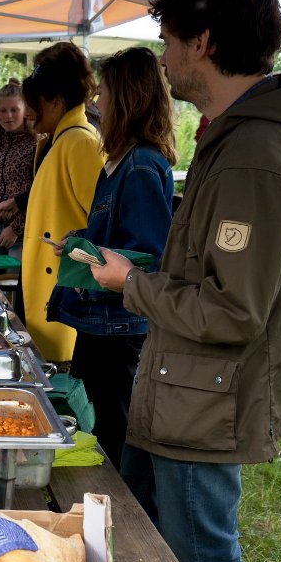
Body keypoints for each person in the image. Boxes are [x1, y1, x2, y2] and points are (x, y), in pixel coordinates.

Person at [90, 0, 281, 562]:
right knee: (158, 547)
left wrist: (130, 283)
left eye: (169, 41)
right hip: (186, 387)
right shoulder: (239, 139)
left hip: (206, 398)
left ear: (201, 43)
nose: (164, 58)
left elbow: (232, 309)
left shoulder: (256, 154)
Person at [45, 47, 176, 471]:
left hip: (120, 325)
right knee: (102, 421)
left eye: (103, 91)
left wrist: (96, 254)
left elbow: (147, 254)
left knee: (116, 430)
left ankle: (124, 503)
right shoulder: (120, 162)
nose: (97, 100)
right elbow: (116, 234)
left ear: (126, 98)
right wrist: (81, 241)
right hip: (102, 322)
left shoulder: (140, 166)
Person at [20, 42, 105, 363]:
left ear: (56, 100)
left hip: (66, 298)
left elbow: (102, 225)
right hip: (49, 289)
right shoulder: (58, 140)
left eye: (34, 103)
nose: (28, 112)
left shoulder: (80, 142)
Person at [0, 78, 36, 263]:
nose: (8, 116)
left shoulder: (37, 144)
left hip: (24, 231)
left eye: (14, 110)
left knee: (13, 278)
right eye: (3, 110)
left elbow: (41, 191)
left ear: (25, 111)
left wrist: (16, 228)